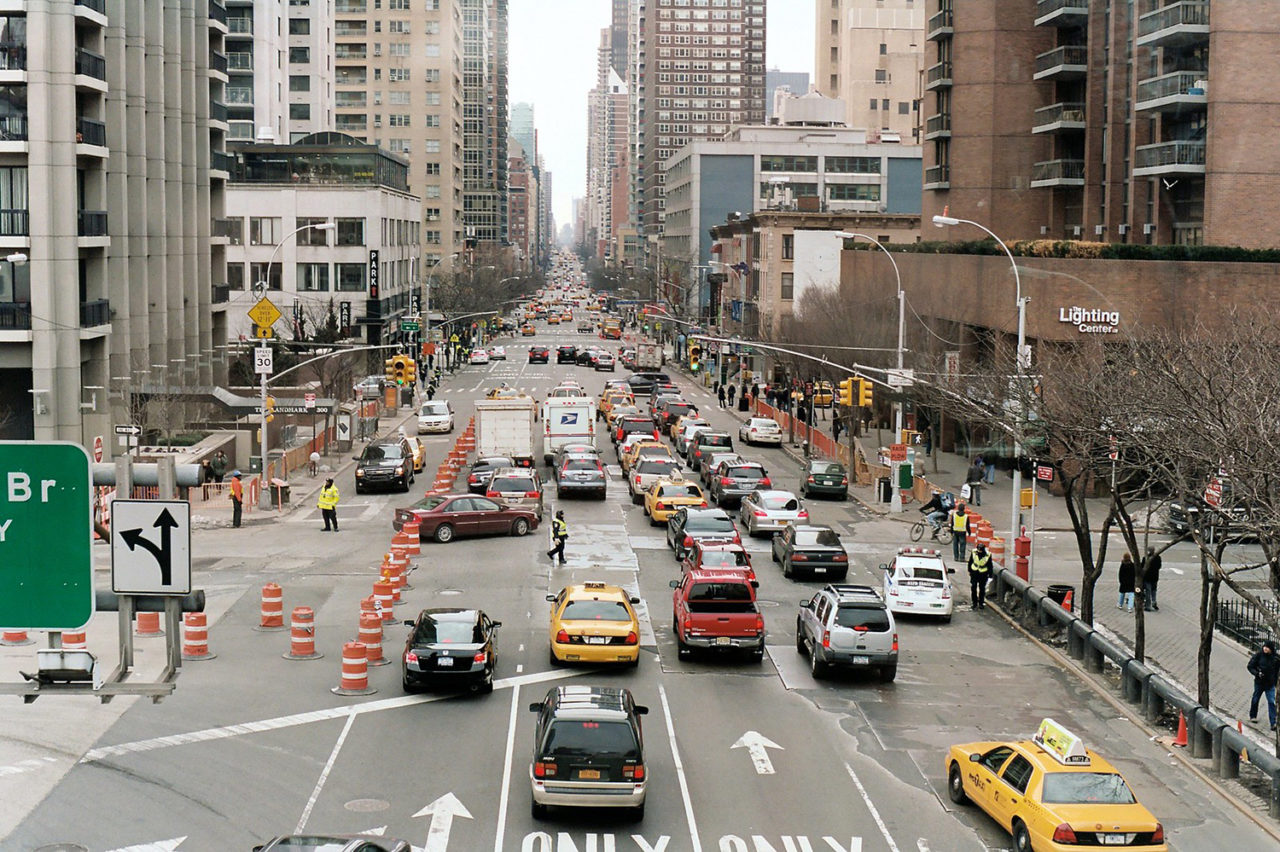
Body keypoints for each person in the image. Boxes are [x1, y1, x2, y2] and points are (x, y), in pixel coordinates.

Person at [1248, 640, 1280, 731]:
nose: (1265, 649)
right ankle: (1253, 715)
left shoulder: (1276, 658)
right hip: (1259, 682)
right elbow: (1250, 666)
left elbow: (1277, 671)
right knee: (1255, 698)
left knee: (1271, 702)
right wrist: (1257, 673)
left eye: (1267, 647)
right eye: (1264, 647)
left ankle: (1273, 722)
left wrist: (1275, 682)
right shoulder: (1259, 655)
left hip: (1270, 684)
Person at [967, 543, 993, 610]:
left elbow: (990, 565)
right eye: (978, 551)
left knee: (982, 589)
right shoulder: (974, 552)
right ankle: (974, 603)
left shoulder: (988, 555)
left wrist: (990, 575)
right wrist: (969, 570)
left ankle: (981, 603)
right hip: (974, 572)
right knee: (973, 587)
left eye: (980, 551)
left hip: (983, 573)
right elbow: (970, 561)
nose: (979, 552)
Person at [1143, 547, 1162, 612]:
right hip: (1155, 577)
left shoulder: (1146, 558)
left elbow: (1142, 566)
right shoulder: (1158, 558)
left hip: (1147, 577)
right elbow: (1159, 566)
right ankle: (1154, 602)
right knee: (1154, 590)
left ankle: (1148, 606)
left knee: (1148, 591)